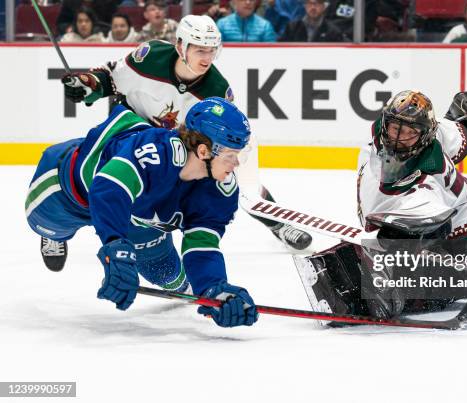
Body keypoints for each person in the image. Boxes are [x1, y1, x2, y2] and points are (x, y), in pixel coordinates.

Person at [60, 15, 312, 254]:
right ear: (181, 46)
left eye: (212, 50)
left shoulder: (217, 91)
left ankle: (278, 223)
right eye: (200, 50)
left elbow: (225, 139)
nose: (207, 58)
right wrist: (88, 83)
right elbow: (111, 78)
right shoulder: (151, 57)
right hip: (131, 130)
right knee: (90, 174)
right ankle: (56, 229)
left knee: (226, 174)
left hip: (173, 145)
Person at [297, 89, 467, 320]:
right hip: (394, 213)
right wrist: (397, 234)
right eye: (395, 128)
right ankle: (389, 270)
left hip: (439, 213)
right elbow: (384, 204)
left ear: (427, 133)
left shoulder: (439, 132)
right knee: (426, 212)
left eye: (409, 131)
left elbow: (466, 135)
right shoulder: (376, 160)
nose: (399, 137)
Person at [26, 98, 258, 328]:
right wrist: (115, 246)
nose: (236, 163)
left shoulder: (220, 191)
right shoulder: (156, 152)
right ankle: (56, 236)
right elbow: (108, 189)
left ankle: (181, 284)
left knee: (164, 273)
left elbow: (202, 246)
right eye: (230, 155)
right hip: (70, 191)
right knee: (47, 224)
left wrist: (213, 288)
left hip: (138, 216)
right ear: (204, 151)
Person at [279, 0, 344, 42]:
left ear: (324, 6)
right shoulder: (292, 27)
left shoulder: (333, 31)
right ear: (305, 6)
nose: (313, 7)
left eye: (317, 3)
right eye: (309, 3)